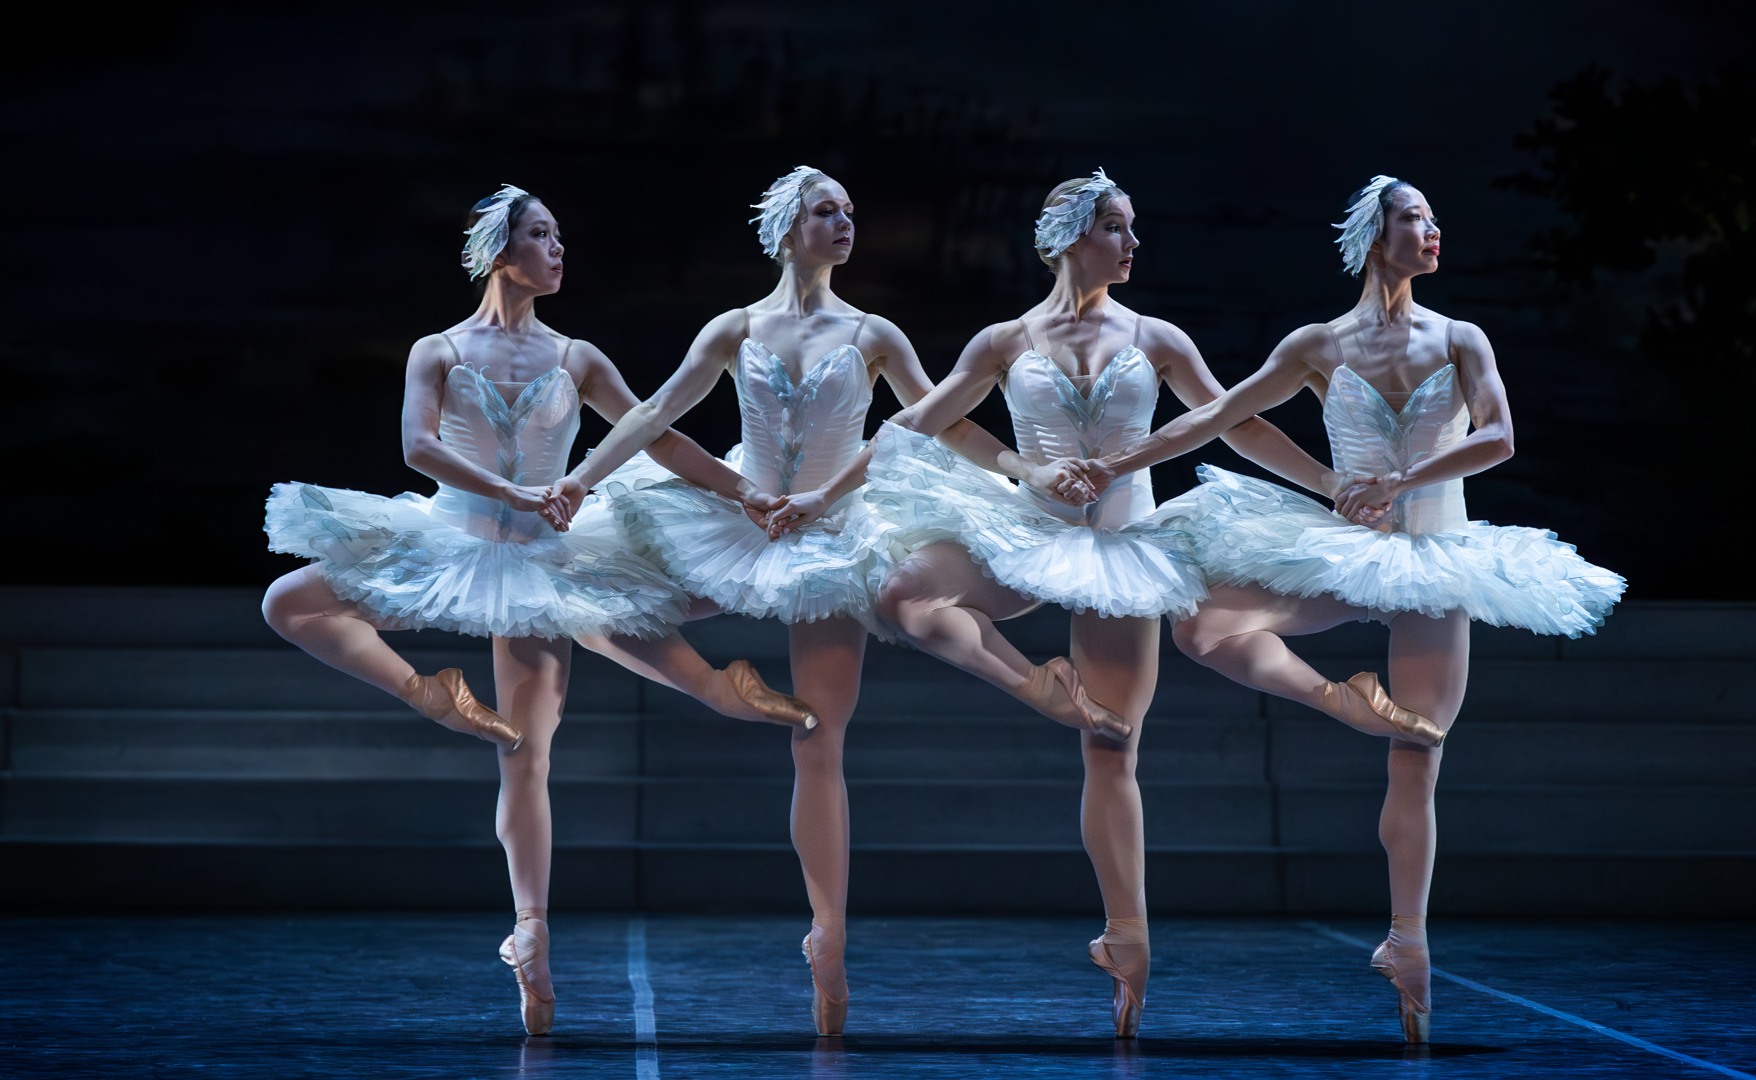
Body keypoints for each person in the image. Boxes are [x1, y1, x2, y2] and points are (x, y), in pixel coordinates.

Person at [858, 169, 1428, 1037]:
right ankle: (1035, 684)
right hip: (1028, 534)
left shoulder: (1157, 336)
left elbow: (1233, 419)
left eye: (1131, 228)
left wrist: (1329, 484)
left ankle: (1128, 936)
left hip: (1125, 551)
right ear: (1072, 238)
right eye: (1117, 229)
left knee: (1111, 746)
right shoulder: (1005, 339)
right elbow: (927, 421)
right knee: (904, 591)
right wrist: (1021, 468)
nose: (1132, 243)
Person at [261, 183, 813, 1038]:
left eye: (559, 236)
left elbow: (655, 435)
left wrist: (744, 492)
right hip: (456, 541)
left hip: (547, 558)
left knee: (527, 754)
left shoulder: (576, 356)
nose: (558, 250)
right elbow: (418, 446)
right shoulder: (439, 350)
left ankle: (532, 934)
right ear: (501, 250)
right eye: (543, 235)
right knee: (291, 601)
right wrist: (514, 490)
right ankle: (429, 694)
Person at [1086, 175, 1626, 1042]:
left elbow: (1500, 437)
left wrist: (1401, 481)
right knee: (1201, 624)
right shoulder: (1318, 344)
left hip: (1435, 554)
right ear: (1378, 235)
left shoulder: (1461, 337)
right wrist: (1118, 464)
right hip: (1346, 551)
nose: (1433, 229)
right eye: (1417, 217)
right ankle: (1343, 701)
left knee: (1419, 753)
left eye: (1435, 218)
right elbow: (1221, 417)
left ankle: (1407, 944)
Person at [538, 166, 1032, 1037]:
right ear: (786, 229)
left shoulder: (873, 332)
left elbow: (940, 421)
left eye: (850, 211)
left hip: (837, 536)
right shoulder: (736, 327)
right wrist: (581, 478)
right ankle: (715, 689)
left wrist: (1024, 472)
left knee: (818, 738)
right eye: (825, 210)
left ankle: (828, 937)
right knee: (586, 593)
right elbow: (655, 415)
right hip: (747, 519)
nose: (844, 222)